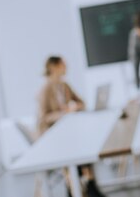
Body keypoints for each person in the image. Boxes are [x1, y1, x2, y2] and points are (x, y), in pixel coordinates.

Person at [37, 56, 106, 197]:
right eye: (63, 65)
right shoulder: (45, 90)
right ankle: (80, 186)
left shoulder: (64, 86)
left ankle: (85, 185)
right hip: (53, 138)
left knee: (84, 146)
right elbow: (43, 118)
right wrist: (64, 113)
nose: (66, 67)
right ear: (54, 67)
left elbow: (82, 102)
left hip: (68, 133)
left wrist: (75, 107)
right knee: (77, 149)